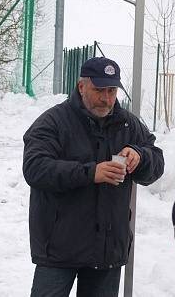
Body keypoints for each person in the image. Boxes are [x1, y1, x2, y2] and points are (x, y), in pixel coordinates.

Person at [23, 56, 164, 297]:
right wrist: (91, 173)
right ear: (81, 86)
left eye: (111, 90)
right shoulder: (54, 121)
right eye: (99, 89)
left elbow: (157, 162)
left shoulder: (128, 125)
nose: (106, 98)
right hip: (59, 249)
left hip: (107, 251)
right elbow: (35, 167)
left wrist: (140, 156)